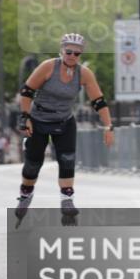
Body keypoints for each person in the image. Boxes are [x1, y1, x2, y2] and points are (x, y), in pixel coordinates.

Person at [15, 33, 115, 219]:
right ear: (61, 50)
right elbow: (27, 91)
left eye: (76, 54)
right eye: (68, 52)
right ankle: (26, 194)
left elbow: (99, 101)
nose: (72, 56)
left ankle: (67, 200)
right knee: (33, 164)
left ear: (80, 55)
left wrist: (108, 126)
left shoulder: (84, 73)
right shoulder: (48, 67)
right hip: (39, 120)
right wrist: (25, 117)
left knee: (67, 159)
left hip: (64, 121)